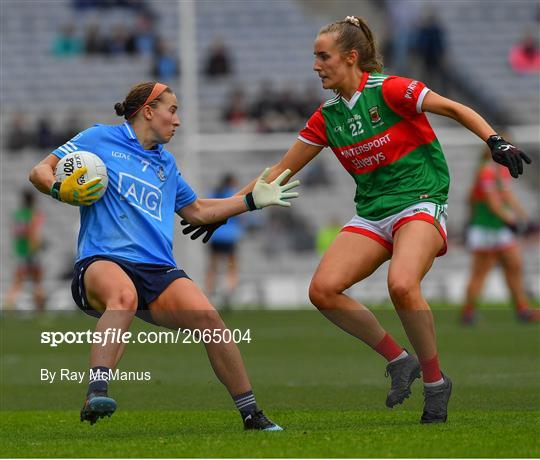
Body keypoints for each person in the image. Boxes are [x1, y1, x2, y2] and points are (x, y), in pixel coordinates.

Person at [181, 16, 532, 424]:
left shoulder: (392, 90)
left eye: (322, 56)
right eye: (314, 56)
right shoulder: (327, 117)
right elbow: (279, 170)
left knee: (401, 284)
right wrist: (225, 210)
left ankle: (436, 384)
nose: (315, 65)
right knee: (323, 290)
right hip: (372, 212)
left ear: (350, 58)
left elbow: (453, 107)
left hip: (419, 200)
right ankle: (400, 361)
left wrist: (495, 140)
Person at [28, 81, 300, 430]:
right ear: (149, 111)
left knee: (211, 321)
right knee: (123, 297)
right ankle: (96, 392)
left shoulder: (166, 165)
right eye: (172, 110)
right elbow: (39, 171)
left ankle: (252, 415)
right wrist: (59, 190)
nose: (177, 120)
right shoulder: (98, 138)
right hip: (102, 260)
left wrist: (250, 200)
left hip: (157, 269)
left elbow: (198, 210)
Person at [461, 146, 540, 325]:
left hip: (499, 228)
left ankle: (523, 310)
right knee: (480, 273)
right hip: (486, 229)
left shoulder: (500, 170)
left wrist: (524, 218)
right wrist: (513, 221)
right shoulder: (485, 170)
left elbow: (507, 195)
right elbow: (492, 202)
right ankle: (468, 313)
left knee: (515, 266)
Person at [204, 174, 244, 309]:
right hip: (230, 236)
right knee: (231, 266)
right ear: (231, 182)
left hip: (215, 236)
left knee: (213, 266)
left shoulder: (213, 194)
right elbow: (239, 215)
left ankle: (209, 293)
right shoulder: (233, 194)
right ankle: (229, 291)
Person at [3, 189, 46, 312]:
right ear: (33, 200)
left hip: (20, 250)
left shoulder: (17, 214)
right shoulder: (33, 214)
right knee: (37, 282)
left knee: (17, 282)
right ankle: (40, 311)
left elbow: (16, 233)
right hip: (31, 252)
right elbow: (33, 233)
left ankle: (8, 307)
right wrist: (37, 247)